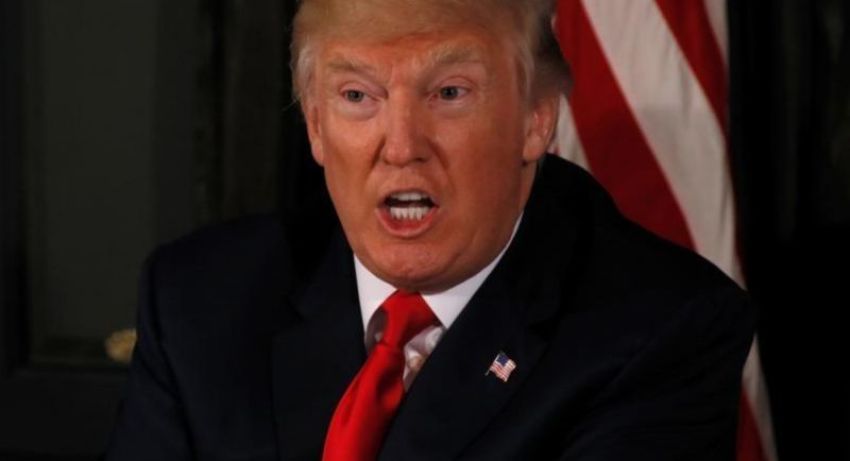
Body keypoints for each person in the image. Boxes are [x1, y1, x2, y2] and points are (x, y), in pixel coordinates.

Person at [106, 0, 754, 459]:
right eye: (358, 95)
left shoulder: (662, 330)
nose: (401, 146)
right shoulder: (198, 301)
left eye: (448, 93)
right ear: (314, 125)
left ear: (535, 118)